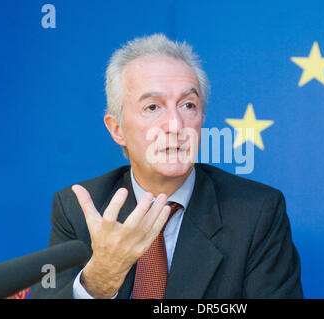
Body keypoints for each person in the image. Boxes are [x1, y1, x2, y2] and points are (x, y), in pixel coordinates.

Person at [29, 33, 303, 299]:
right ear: (117, 129)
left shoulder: (257, 212)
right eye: (152, 107)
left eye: (188, 105)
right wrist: (96, 284)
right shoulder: (78, 210)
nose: (175, 125)